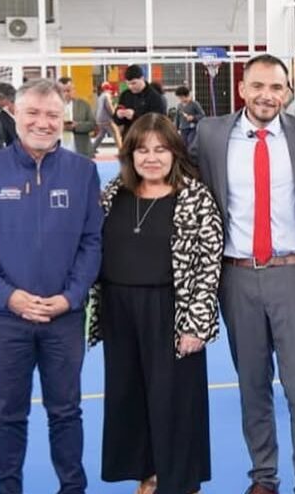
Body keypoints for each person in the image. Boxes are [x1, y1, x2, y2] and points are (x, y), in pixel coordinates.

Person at [190, 54, 295, 494]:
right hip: (235, 278)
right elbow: (167, 168)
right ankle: (263, 478)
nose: (267, 96)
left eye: (276, 88)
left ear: (288, 92)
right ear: (242, 88)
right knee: (252, 384)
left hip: (294, 274)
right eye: (258, 86)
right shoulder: (211, 134)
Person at [0, 78, 102, 494]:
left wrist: (70, 297)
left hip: (63, 318)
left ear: (63, 118)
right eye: (33, 113)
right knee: (8, 414)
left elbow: (92, 241)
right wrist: (9, 296)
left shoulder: (82, 172)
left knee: (66, 411)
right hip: (5, 319)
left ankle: (72, 487)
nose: (43, 122)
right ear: (14, 115)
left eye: (52, 115)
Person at [88, 113, 223, 494]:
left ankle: (179, 482)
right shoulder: (114, 193)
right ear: (129, 154)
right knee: (130, 398)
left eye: (160, 149)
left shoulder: (194, 196)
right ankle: (148, 476)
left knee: (175, 402)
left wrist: (196, 324)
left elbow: (209, 264)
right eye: (142, 149)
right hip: (119, 309)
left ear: (174, 153)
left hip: (171, 311)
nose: (151, 158)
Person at [115, 65, 167, 140]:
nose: (130, 86)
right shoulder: (125, 95)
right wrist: (118, 115)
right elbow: (117, 120)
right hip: (129, 138)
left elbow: (158, 121)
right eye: (128, 84)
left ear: (142, 78)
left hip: (147, 139)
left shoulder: (154, 97)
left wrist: (134, 116)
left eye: (134, 83)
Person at [58, 77, 96, 157]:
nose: (65, 93)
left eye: (68, 90)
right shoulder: (51, 106)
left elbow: (92, 124)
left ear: (73, 90)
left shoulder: (83, 105)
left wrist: (76, 126)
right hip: (57, 151)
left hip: (80, 151)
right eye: (62, 91)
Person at [91, 81, 119, 155]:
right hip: (106, 119)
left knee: (101, 134)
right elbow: (109, 107)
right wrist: (114, 114)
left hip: (99, 119)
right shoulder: (107, 95)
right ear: (108, 88)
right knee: (115, 134)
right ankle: (121, 150)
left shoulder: (100, 96)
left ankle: (92, 149)